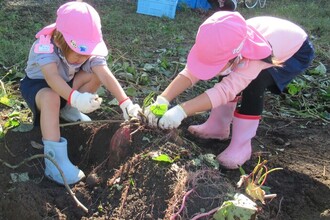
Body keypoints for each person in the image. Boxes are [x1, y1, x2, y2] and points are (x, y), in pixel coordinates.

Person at [145, 11, 314, 169]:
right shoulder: (214, 40)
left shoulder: (254, 58)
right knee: (226, 71)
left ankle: (241, 146)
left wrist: (182, 111)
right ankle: (217, 126)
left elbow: (226, 90)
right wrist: (163, 99)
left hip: (295, 50)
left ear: (235, 56)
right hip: (266, 35)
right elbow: (191, 71)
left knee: (254, 83)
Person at [20, 1, 141, 185]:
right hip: (39, 88)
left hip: (67, 86)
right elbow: (52, 78)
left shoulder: (83, 51)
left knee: (95, 73)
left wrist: (125, 102)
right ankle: (55, 162)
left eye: (86, 54)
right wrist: (75, 97)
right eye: (78, 55)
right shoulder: (44, 47)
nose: (84, 58)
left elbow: (104, 73)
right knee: (51, 97)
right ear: (61, 41)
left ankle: (68, 110)